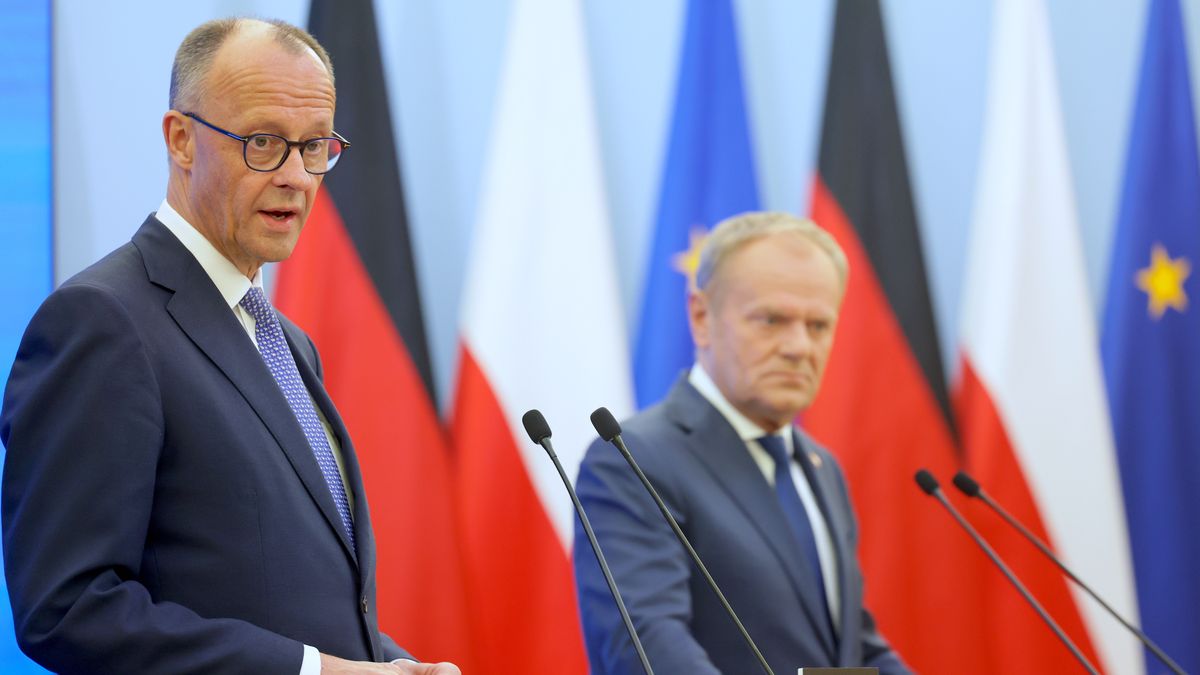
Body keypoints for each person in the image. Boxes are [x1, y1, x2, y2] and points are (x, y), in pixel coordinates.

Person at [1, 18, 459, 675]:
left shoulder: (288, 342)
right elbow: (66, 606)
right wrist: (317, 672)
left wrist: (391, 666)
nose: (298, 176)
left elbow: (293, 597)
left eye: (315, 147)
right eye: (264, 142)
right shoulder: (101, 322)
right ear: (181, 139)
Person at [574, 212, 910, 674]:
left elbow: (852, 649)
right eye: (772, 320)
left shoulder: (819, 467)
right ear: (701, 318)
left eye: (818, 326)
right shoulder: (633, 460)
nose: (799, 347)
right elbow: (648, 645)